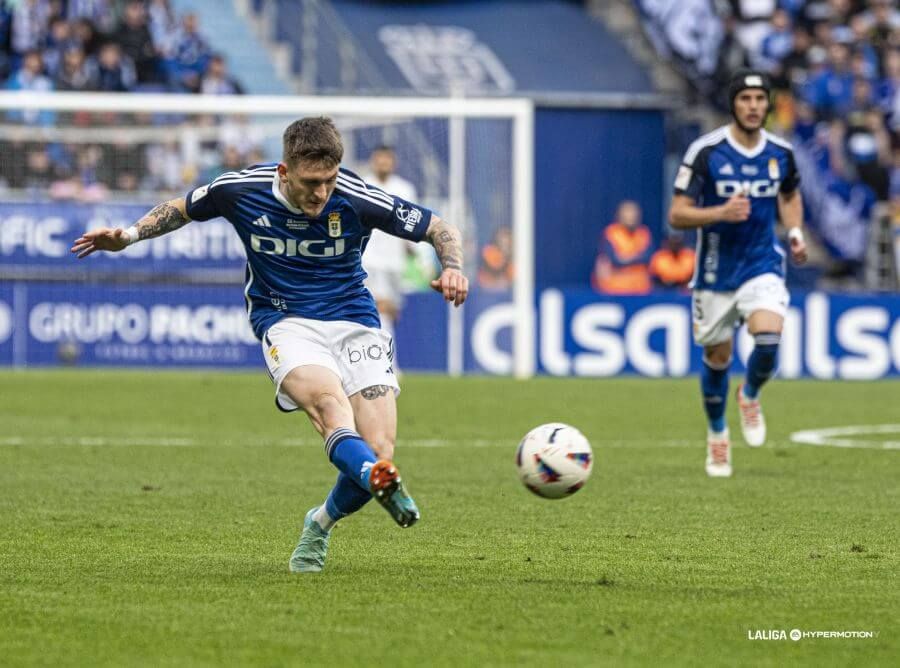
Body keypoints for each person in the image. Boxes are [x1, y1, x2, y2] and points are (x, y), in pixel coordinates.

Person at [71, 117, 469, 572]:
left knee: (379, 451)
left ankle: (321, 522)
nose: (321, 193)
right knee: (329, 407)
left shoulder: (357, 196)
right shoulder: (240, 190)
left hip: (355, 321)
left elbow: (439, 227)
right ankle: (377, 478)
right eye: (311, 182)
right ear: (284, 171)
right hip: (285, 321)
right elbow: (180, 208)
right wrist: (128, 236)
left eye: (329, 180)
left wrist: (453, 267)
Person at [668, 69, 808, 478]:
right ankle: (717, 436)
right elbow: (677, 214)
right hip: (715, 272)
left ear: (768, 105)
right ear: (733, 104)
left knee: (768, 337)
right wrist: (720, 212)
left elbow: (790, 195)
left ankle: (749, 393)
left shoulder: (781, 153)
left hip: (762, 263)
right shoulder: (707, 151)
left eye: (760, 99)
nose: (753, 106)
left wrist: (795, 233)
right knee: (718, 358)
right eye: (745, 99)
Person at [360, 145, 420, 338]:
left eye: (387, 159)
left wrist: (413, 251)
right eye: (379, 159)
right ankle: (382, 353)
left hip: (395, 261)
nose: (383, 163)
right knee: (377, 305)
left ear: (394, 162)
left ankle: (382, 347)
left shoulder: (405, 189)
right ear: (373, 161)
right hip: (369, 259)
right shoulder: (363, 186)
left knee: (392, 310)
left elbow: (411, 226)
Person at [590, 200, 653, 295]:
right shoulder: (611, 233)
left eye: (634, 213)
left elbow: (647, 257)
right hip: (615, 289)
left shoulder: (644, 234)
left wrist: (625, 258)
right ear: (619, 215)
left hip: (640, 289)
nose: (631, 216)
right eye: (627, 213)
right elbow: (614, 259)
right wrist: (635, 257)